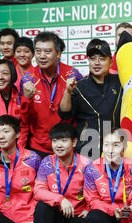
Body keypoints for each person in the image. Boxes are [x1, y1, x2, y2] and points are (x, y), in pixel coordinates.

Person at [33, 123, 90, 223]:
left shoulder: (86, 164)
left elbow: (96, 193)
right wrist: (60, 199)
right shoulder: (47, 163)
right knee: (41, 208)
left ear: (74, 142)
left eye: (64, 140)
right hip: (56, 216)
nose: (58, 145)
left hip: (78, 215)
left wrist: (90, 209)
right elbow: (38, 191)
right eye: (55, 141)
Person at [19, 31, 82, 159]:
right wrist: (27, 98)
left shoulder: (72, 75)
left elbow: (80, 113)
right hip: (38, 147)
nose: (42, 56)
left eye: (47, 52)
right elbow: (24, 120)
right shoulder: (28, 79)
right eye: (38, 51)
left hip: (66, 145)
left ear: (58, 53)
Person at [59, 39, 122, 159]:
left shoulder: (119, 82)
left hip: (115, 149)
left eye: (102, 59)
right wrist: (67, 92)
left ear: (111, 62)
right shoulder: (79, 86)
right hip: (88, 150)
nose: (97, 63)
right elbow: (64, 114)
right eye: (92, 59)